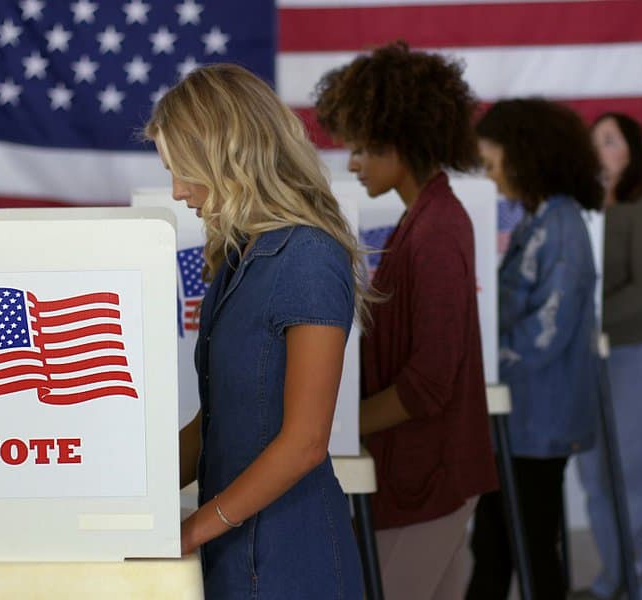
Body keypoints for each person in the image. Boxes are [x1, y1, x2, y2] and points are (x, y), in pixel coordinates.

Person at [144, 63, 366, 599]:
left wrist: (192, 530)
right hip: (232, 548)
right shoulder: (239, 257)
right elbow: (214, 421)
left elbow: (305, 442)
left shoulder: (309, 256)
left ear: (227, 157)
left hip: (292, 558)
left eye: (184, 169)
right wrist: (132, 499)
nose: (176, 191)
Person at [313, 42, 498, 600]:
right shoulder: (424, 221)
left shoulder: (437, 230)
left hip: (431, 474)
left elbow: (430, 381)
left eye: (362, 147)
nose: (351, 162)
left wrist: (333, 429)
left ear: (400, 141)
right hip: (427, 473)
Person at [467, 98, 603, 600]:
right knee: (497, 544)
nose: (490, 176)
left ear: (525, 155)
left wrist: (478, 360)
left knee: (528, 549)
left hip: (539, 421)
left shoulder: (561, 227)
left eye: (492, 163)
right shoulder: (537, 220)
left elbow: (546, 332)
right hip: (519, 419)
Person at [574, 113, 642, 600]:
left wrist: (584, 320)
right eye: (594, 142)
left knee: (636, 473)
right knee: (595, 476)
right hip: (588, 358)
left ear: (632, 150)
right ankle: (617, 578)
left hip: (636, 353)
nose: (600, 150)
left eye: (610, 141)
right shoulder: (582, 209)